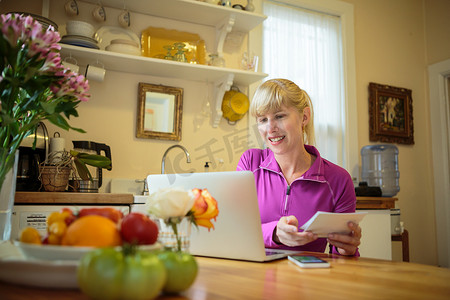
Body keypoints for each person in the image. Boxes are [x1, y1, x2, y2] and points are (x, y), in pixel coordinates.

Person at [237, 79, 361, 256]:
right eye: (263, 119)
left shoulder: (338, 180)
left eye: (279, 116)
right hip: (254, 276)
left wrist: (346, 249)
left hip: (308, 279)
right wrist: (274, 233)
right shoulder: (250, 163)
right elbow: (236, 228)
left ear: (304, 116)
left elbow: (341, 259)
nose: (270, 128)